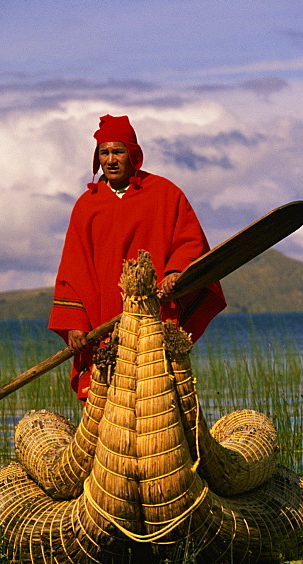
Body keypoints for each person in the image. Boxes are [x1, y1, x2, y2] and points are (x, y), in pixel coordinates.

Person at [48, 114, 226, 401]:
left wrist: (176, 272)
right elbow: (73, 268)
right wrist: (76, 322)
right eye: (104, 153)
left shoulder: (165, 193)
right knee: (111, 402)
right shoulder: (86, 206)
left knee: (158, 396)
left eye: (117, 151)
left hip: (154, 315)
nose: (111, 159)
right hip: (104, 317)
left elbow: (189, 240)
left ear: (133, 154)